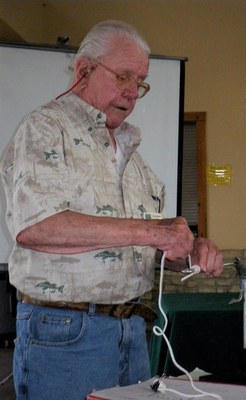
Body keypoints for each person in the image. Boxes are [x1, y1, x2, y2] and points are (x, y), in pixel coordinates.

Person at [0, 20, 223, 400]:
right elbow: (37, 227)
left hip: (132, 332)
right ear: (83, 69)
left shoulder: (132, 156)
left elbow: (144, 245)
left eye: (141, 82)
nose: (133, 92)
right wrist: (155, 232)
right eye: (123, 76)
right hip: (66, 331)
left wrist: (188, 253)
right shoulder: (44, 129)